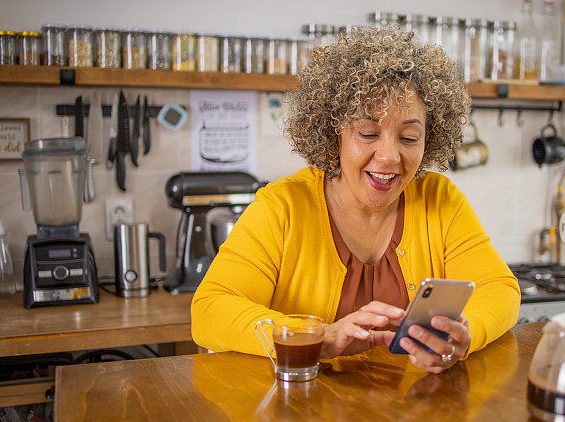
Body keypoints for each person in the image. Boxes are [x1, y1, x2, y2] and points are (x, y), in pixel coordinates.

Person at [191, 27, 520, 374]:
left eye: (410, 137)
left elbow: (500, 289)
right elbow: (210, 309)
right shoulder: (281, 207)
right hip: (300, 416)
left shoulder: (441, 200)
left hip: (413, 416)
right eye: (367, 133)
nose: (389, 156)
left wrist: (465, 334)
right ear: (334, 133)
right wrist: (314, 337)